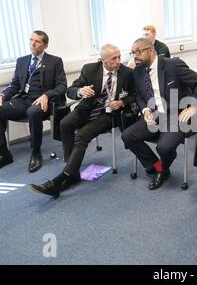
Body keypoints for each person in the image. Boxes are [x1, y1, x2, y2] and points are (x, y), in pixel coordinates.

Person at [29, 44, 136, 198]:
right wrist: (80, 91)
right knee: (65, 124)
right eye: (114, 58)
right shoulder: (89, 69)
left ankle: (60, 180)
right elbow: (70, 90)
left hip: (109, 114)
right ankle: (72, 169)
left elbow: (134, 94)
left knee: (82, 135)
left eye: (119, 57)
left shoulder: (127, 73)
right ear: (102, 60)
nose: (118, 61)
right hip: (87, 108)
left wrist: (122, 103)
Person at [122, 38, 197, 190]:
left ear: (150, 50)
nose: (134, 56)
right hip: (154, 115)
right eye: (132, 52)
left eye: (138, 52)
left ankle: (161, 168)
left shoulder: (173, 65)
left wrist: (193, 107)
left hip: (177, 115)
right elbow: (138, 95)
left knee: (164, 148)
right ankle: (158, 167)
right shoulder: (137, 71)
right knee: (128, 136)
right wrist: (145, 110)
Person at [0, 30, 67, 174]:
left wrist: (47, 95)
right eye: (31, 40)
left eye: (37, 41)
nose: (32, 44)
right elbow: (15, 83)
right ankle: (4, 154)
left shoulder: (55, 61)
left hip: (42, 102)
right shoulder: (22, 61)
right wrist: (2, 95)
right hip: (23, 100)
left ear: (45, 45)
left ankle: (36, 152)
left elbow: (62, 86)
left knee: (33, 112)